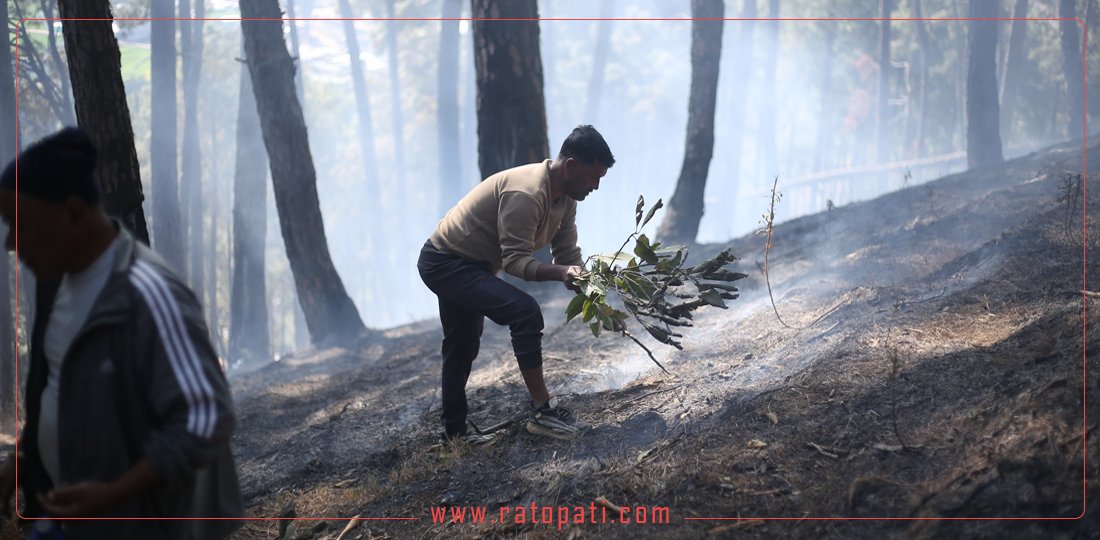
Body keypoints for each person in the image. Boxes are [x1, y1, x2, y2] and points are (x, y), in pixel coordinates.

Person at [0, 128, 241, 539]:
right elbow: (58, 388)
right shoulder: (55, 282)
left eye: (22, 224)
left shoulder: (149, 294)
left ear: (73, 213)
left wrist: (112, 495)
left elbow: (207, 417)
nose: (10, 242)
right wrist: (23, 459)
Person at [417, 124, 615, 443]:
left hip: (474, 264)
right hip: (445, 261)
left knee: (462, 343)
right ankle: (543, 410)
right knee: (524, 313)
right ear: (571, 166)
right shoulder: (526, 193)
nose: (595, 186)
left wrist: (597, 294)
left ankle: (454, 436)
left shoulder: (566, 199)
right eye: (594, 177)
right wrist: (561, 273)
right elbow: (515, 262)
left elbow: (567, 253)